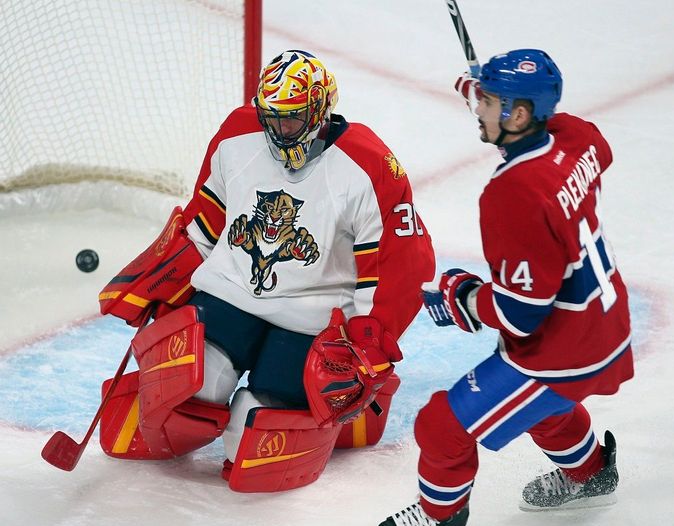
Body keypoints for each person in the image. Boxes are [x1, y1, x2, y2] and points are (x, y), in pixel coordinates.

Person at [96, 49, 435, 491]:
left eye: (290, 120)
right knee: (185, 394)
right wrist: (161, 275)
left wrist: (368, 344)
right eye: (269, 117)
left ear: (318, 112)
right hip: (229, 294)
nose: (277, 131)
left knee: (252, 439)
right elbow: (207, 220)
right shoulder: (237, 135)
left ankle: (354, 415)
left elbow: (400, 266)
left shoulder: (369, 165)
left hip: (312, 319)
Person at [372, 49, 634, 526]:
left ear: (518, 115)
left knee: (441, 424)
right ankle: (591, 473)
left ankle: (441, 513)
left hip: (561, 349)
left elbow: (521, 313)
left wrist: (461, 296)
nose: (477, 108)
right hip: (602, 320)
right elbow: (578, 133)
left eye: (488, 101)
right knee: (544, 410)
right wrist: (493, 89)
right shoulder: (577, 140)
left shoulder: (512, 193)